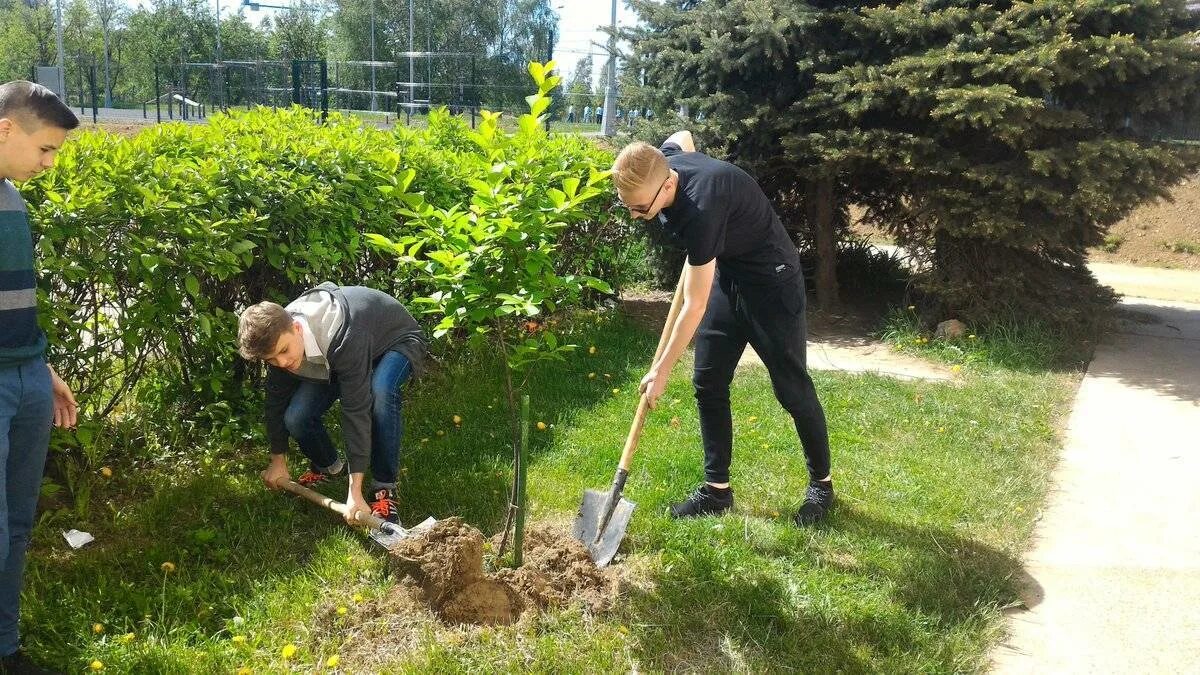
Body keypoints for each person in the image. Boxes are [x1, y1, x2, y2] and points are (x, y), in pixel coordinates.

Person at [611, 131, 835, 526]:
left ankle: (822, 485)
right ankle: (717, 492)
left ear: (668, 185)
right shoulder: (664, 162)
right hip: (730, 276)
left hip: (772, 283)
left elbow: (693, 306)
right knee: (709, 380)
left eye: (641, 209)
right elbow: (682, 136)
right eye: (627, 207)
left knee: (791, 388)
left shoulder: (701, 212)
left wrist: (660, 371)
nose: (635, 216)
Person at [0, 80, 80, 673]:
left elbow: (14, 302)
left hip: (26, 376)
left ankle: (6, 648)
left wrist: (41, 367)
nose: (49, 165)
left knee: (19, 523)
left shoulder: (11, 198)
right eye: (45, 149)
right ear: (6, 129)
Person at [237, 283, 427, 526]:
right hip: (338, 357)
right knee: (297, 417)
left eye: (284, 351)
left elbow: (355, 410)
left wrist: (354, 491)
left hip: (396, 341)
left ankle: (384, 488)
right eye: (271, 360)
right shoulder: (277, 338)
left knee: (379, 392)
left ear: (296, 327)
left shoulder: (342, 333)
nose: (282, 362)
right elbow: (275, 401)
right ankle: (330, 468)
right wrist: (278, 462)